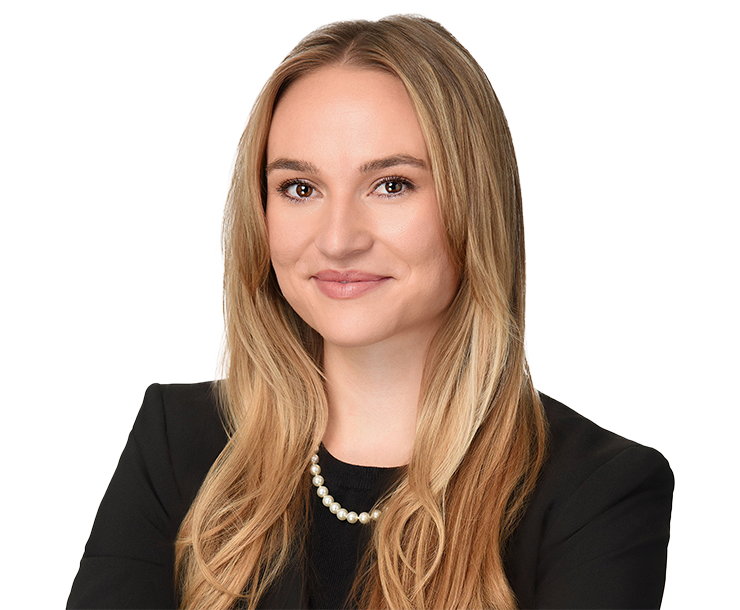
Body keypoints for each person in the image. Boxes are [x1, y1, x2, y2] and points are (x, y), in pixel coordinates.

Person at [66, 13, 674, 610]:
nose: (338, 240)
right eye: (300, 188)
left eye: (391, 185)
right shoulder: (177, 443)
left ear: (475, 201)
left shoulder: (596, 493)